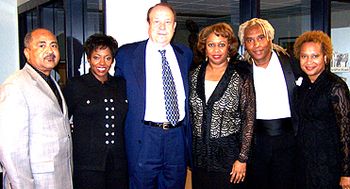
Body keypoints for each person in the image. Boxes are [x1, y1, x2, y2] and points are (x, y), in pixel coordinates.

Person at [114, 2, 193, 189]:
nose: (162, 27)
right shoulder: (127, 54)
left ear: (174, 26)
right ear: (148, 24)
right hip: (144, 138)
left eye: (168, 22)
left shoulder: (185, 54)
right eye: (157, 21)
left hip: (177, 137)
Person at [0, 28, 73, 188]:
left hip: (59, 176)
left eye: (54, 46)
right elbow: (11, 148)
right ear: (27, 53)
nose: (50, 51)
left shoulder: (51, 81)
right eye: (42, 46)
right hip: (36, 181)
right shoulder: (16, 85)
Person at [189, 22, 255, 189]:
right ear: (204, 47)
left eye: (221, 45)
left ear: (229, 47)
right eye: (211, 45)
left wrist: (242, 158)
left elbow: (249, 118)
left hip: (229, 157)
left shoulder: (241, 77)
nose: (216, 50)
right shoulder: (193, 75)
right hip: (199, 156)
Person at [237, 18, 301, 189]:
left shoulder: (291, 63)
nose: (256, 45)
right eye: (250, 40)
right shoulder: (242, 70)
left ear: (270, 39)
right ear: (245, 44)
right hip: (257, 142)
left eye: (260, 38)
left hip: (288, 140)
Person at [63, 33, 128, 189]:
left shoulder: (121, 84)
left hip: (118, 163)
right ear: (88, 58)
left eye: (107, 58)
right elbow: (62, 121)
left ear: (112, 60)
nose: (102, 63)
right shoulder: (76, 85)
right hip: (87, 163)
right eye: (96, 57)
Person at [292, 30, 350, 189]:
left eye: (314, 56)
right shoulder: (302, 85)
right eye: (304, 56)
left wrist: (346, 173)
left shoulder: (336, 86)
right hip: (303, 163)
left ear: (325, 57)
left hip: (328, 164)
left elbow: (346, 131)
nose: (309, 61)